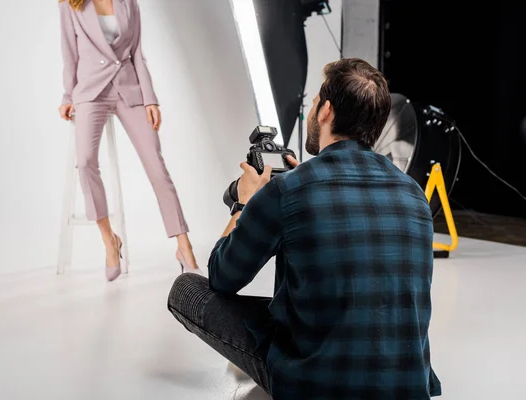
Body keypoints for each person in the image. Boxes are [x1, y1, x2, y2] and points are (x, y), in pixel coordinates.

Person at [168, 58, 442, 399]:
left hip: (316, 386)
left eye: (313, 104)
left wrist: (246, 203)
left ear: (326, 111)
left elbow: (222, 276)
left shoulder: (289, 190)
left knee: (186, 289)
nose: (312, 112)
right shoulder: (413, 193)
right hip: (408, 386)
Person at [58, 0, 201, 281]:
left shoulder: (128, 3)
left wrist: (150, 98)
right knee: (85, 161)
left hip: (129, 88)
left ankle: (184, 247)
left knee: (156, 167)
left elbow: (137, 53)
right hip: (90, 91)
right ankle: (109, 239)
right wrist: (67, 95)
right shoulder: (70, 4)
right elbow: (69, 53)